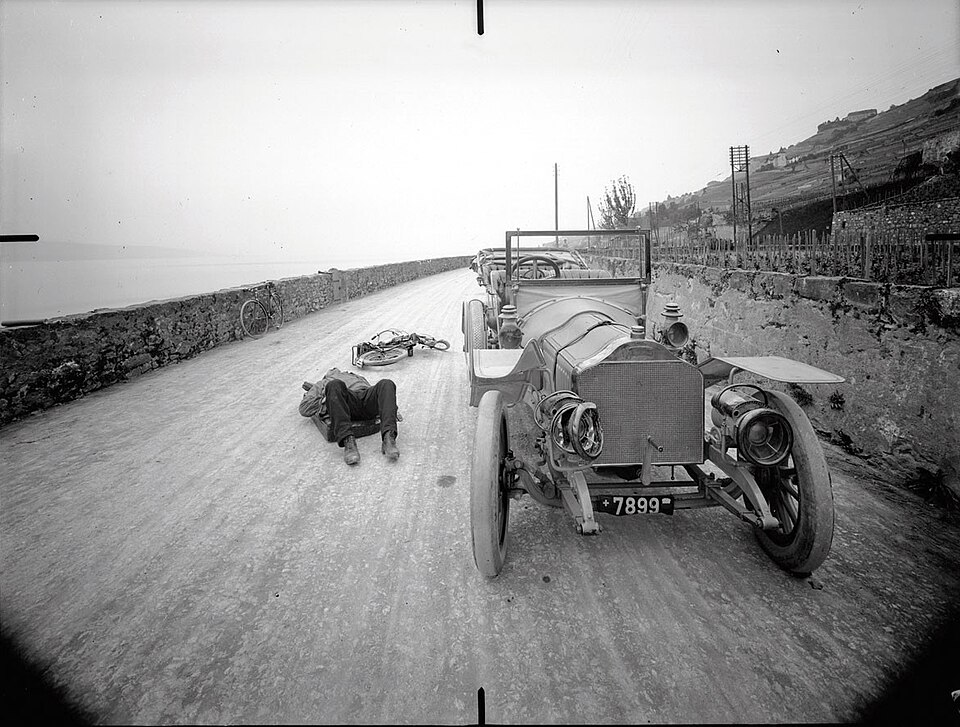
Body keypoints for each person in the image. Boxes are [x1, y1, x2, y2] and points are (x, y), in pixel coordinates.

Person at [299, 367, 399, 465]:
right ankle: (349, 442)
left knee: (386, 383)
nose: (335, 370)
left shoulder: (356, 376)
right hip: (348, 403)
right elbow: (304, 408)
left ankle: (388, 438)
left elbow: (379, 393)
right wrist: (328, 400)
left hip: (365, 399)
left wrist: (392, 409)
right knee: (334, 385)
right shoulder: (324, 383)